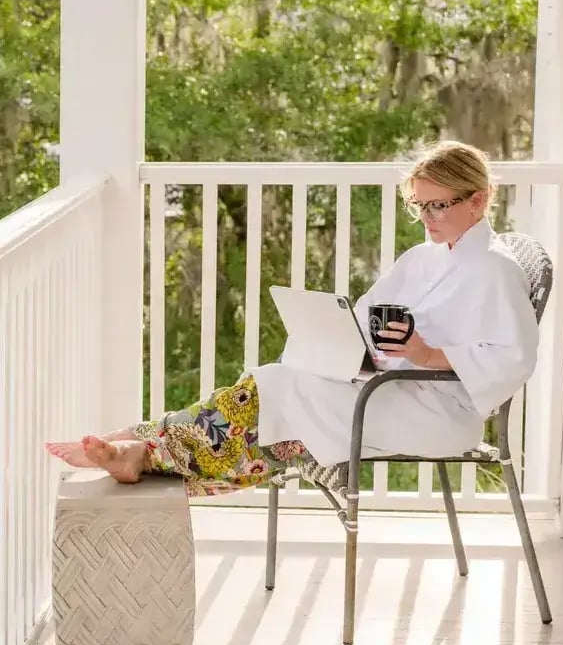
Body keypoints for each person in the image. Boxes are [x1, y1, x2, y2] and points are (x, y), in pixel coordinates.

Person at [46, 140, 538, 496]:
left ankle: (145, 443)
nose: (428, 217)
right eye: (419, 206)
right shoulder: (422, 258)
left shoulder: (497, 270)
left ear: (478, 199)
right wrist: (342, 336)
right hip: (389, 387)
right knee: (280, 397)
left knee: (280, 391)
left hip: (438, 413)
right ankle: (148, 450)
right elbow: (367, 315)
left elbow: (514, 361)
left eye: (438, 205)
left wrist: (426, 353)